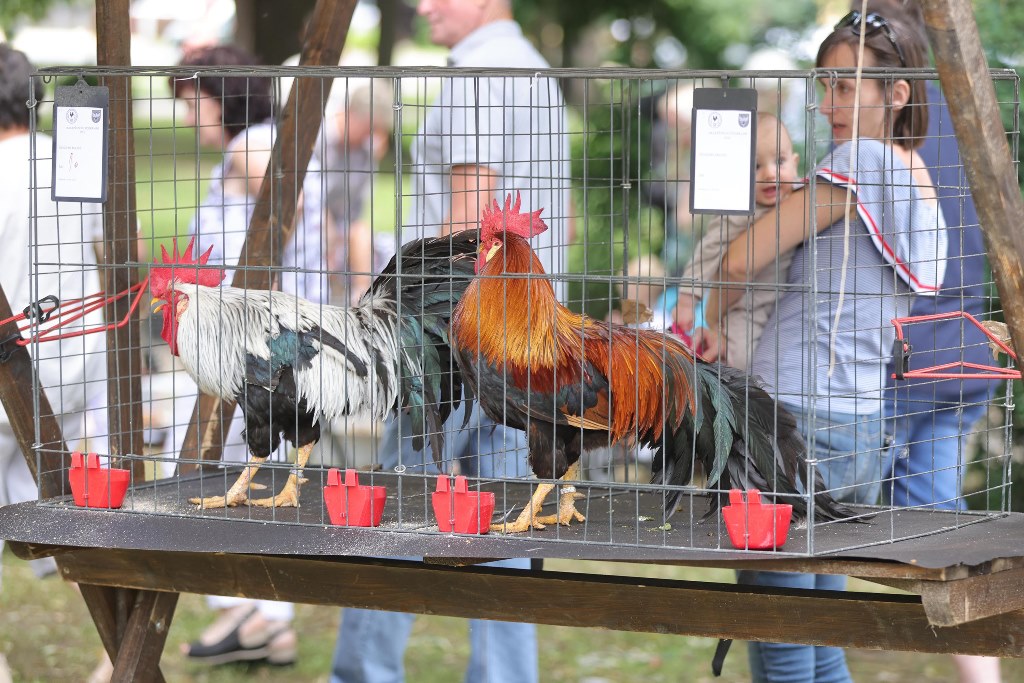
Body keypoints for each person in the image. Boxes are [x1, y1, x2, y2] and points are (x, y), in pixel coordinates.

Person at [680, 12, 947, 681]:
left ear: (897, 94)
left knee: (782, 645)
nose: (827, 103)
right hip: (860, 430)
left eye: (846, 86)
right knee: (820, 640)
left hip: (789, 427)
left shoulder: (855, 161)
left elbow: (741, 261)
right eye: (824, 84)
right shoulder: (917, 178)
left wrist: (709, 317)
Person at [330, 1, 571, 682]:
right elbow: (564, 214)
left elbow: (469, 221)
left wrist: (413, 319)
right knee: (505, 520)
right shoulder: (536, 73)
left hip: (453, 338)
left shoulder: (475, 76)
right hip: (524, 334)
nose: (423, 4)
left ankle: (363, 673)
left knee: (402, 504)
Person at [170, 43, 332, 668]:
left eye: (193, 101)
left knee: (238, 464)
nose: (189, 116)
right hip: (267, 334)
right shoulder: (267, 142)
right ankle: (265, 619)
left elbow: (275, 223)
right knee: (256, 462)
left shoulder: (254, 148)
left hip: (256, 341)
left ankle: (258, 608)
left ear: (222, 96)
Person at [869, 2, 1002, 681]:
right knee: (938, 526)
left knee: (826, 516)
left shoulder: (884, 119)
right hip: (963, 352)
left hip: (899, 361)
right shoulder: (963, 102)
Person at [0, 44, 110, 682]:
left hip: (12, 369)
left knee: (61, 518)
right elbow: (111, 250)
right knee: (68, 520)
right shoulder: (72, 162)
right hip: (73, 367)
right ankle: (118, 650)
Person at [674, 112, 800, 371]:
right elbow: (708, 250)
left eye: (780, 161)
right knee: (742, 359)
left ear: (795, 163)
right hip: (746, 310)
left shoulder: (799, 199)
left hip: (783, 307)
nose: (769, 173)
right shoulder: (739, 212)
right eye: (755, 166)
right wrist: (688, 299)